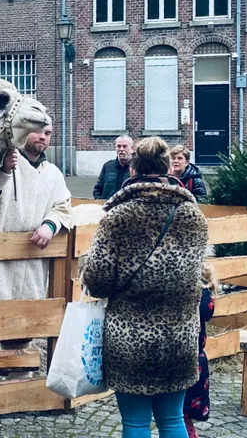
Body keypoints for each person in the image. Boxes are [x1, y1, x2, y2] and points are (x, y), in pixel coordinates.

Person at [80, 136, 208, 438]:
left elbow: (96, 281)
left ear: (134, 169)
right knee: (173, 419)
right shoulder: (194, 216)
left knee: (136, 424)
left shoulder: (119, 217)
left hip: (130, 336)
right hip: (179, 335)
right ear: (169, 167)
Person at [0, 123, 72, 382]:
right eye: (39, 132)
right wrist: (2, 171)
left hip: (30, 262)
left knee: (23, 328)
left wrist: (50, 225)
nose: (43, 138)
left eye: (48, 133)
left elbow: (62, 206)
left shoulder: (53, 174)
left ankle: (20, 389)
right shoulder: (1, 162)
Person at [183, 262, 217, 438]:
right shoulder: (205, 298)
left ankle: (189, 434)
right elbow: (207, 313)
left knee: (179, 411)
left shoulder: (190, 295)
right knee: (184, 411)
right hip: (196, 357)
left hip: (188, 358)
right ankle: (189, 433)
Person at [94, 135, 134, 200]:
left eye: (124, 146)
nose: (121, 149)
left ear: (132, 148)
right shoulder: (107, 166)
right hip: (107, 208)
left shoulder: (137, 168)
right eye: (118, 146)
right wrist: (101, 203)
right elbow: (97, 189)